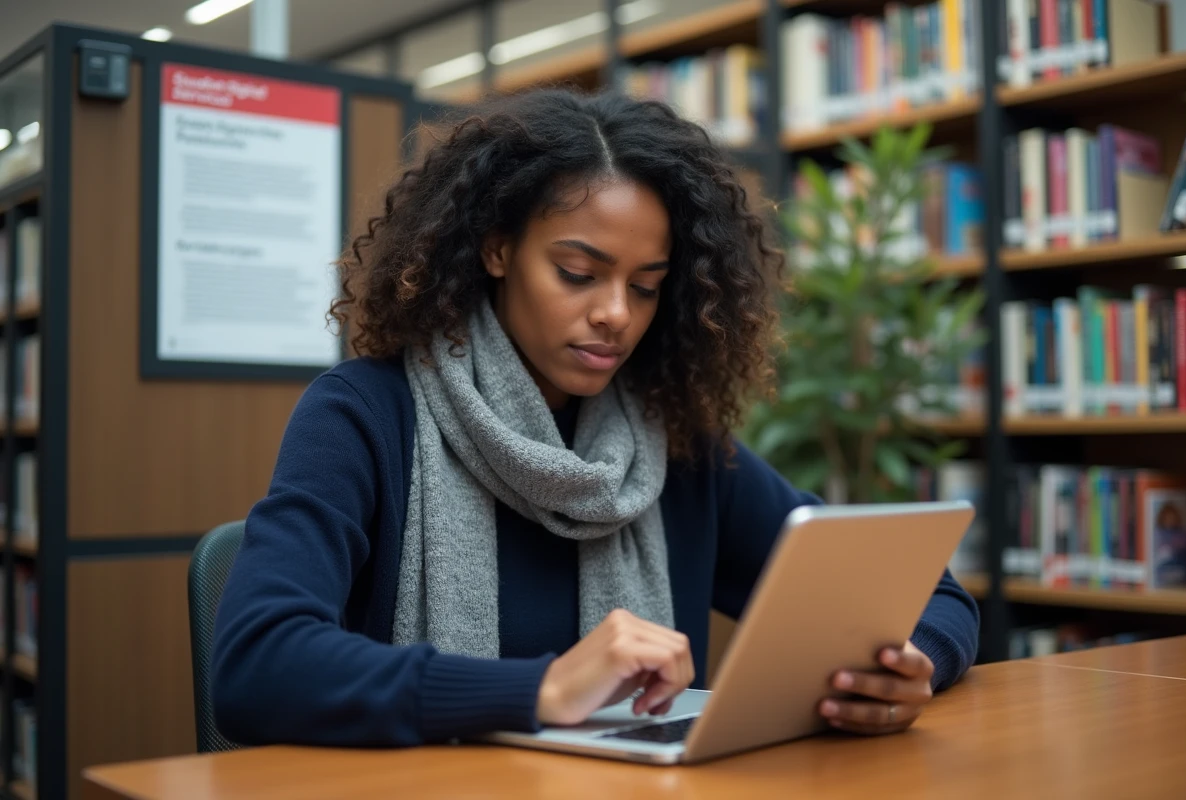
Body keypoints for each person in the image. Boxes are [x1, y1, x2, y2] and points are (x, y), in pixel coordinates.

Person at [211, 88, 979, 748]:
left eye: (645, 287)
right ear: (497, 249)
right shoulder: (364, 415)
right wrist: (540, 689)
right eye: (578, 273)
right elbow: (256, 664)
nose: (615, 313)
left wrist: (914, 664)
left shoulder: (673, 445)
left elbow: (932, 595)